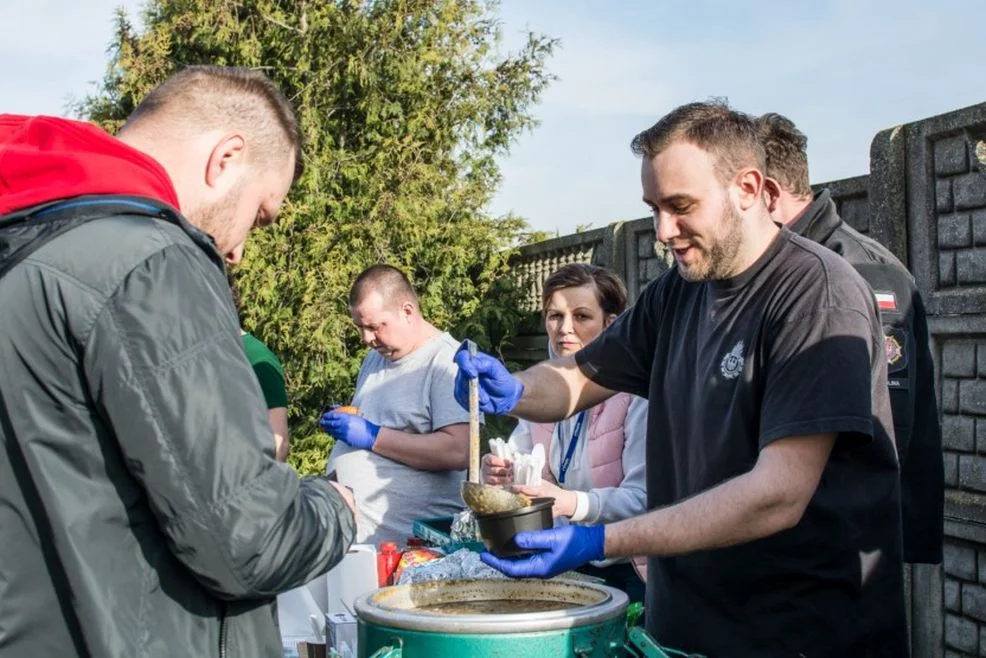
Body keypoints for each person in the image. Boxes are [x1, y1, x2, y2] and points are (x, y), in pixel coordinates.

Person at [454, 101, 907, 656]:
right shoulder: (679, 291)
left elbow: (778, 495)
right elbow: (578, 377)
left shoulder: (816, 295)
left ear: (747, 187)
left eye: (680, 206)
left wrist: (600, 538)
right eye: (653, 208)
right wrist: (516, 388)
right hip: (686, 629)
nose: (662, 231)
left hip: (795, 634)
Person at [0, 65, 356, 658]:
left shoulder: (26, 240)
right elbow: (248, 539)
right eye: (261, 214)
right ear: (226, 158)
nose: (239, 251)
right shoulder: (150, 260)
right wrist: (331, 510)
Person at [757, 111, 944, 565]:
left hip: (845, 542)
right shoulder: (786, 265)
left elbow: (882, 423)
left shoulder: (858, 270)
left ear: (765, 193)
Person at [481, 263, 647, 601]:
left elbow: (646, 500)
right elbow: (523, 464)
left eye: (582, 316)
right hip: (570, 561)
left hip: (634, 570)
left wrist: (569, 502)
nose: (564, 329)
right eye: (555, 316)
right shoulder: (545, 393)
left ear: (611, 324)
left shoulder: (637, 396)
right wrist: (498, 473)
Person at [321, 264, 471, 544]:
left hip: (408, 550)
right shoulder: (376, 359)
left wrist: (373, 436)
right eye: (360, 328)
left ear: (407, 312)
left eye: (374, 327)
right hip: (359, 544)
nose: (366, 339)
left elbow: (458, 450)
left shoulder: (446, 362)